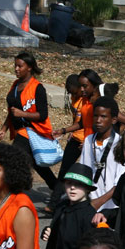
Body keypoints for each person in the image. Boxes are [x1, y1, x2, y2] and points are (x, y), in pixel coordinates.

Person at [0, 52, 57, 190]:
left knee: (12, 159)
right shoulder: (15, 85)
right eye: (15, 65)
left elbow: (43, 115)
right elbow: (12, 112)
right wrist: (4, 129)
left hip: (32, 132)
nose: (16, 69)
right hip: (19, 131)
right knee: (38, 165)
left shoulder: (37, 88)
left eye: (20, 66)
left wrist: (23, 114)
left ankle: (10, 191)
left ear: (29, 67)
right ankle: (58, 189)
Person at [80, 96, 125, 212]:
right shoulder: (88, 140)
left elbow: (121, 181)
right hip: (90, 202)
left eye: (103, 116)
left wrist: (98, 202)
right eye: (95, 116)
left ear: (114, 119)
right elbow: (84, 171)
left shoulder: (121, 144)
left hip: (111, 207)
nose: (98, 120)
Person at [47, 75, 84, 211]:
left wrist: (87, 140)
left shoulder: (88, 100)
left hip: (86, 141)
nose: (71, 94)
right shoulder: (75, 98)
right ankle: (54, 204)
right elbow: (77, 122)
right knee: (64, 171)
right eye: (69, 91)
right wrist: (66, 131)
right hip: (75, 138)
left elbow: (87, 123)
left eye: (73, 91)